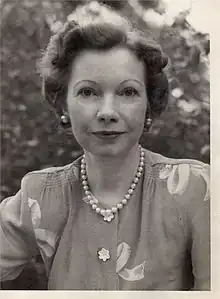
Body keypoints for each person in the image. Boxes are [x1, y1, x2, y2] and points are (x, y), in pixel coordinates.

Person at [0, 3, 210, 290]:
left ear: (149, 104)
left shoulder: (197, 190)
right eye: (88, 92)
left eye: (127, 92)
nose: (107, 112)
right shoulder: (40, 197)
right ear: (63, 105)